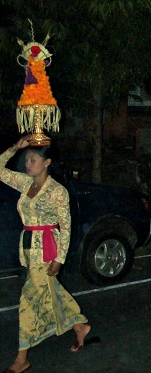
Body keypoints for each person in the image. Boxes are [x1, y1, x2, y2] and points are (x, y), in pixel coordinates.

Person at [1, 137, 91, 373]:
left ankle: (22, 358)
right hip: (29, 247)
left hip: (47, 248)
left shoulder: (57, 191)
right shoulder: (25, 183)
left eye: (33, 159)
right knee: (52, 290)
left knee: (28, 299)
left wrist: (59, 259)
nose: (27, 163)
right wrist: (14, 148)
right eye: (27, 159)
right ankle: (80, 325)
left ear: (47, 162)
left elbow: (66, 225)